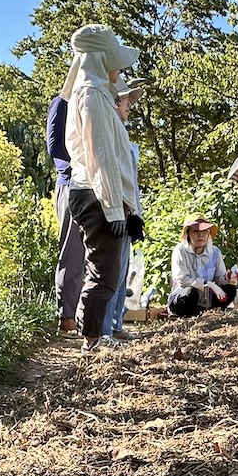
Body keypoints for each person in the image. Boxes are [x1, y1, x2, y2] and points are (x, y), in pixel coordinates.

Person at [61, 24, 143, 354]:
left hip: (101, 195)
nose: (120, 68)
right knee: (104, 275)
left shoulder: (99, 93)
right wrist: (112, 209)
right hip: (94, 195)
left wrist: (130, 210)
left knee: (108, 273)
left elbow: (117, 161)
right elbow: (102, 157)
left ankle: (94, 337)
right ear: (99, 58)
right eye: (116, 60)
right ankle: (91, 341)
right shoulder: (91, 95)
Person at [102, 79, 146, 342]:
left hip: (128, 210)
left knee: (123, 271)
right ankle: (105, 329)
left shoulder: (124, 134)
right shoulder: (110, 132)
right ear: (116, 102)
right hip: (116, 210)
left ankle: (115, 323)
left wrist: (135, 213)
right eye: (127, 101)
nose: (130, 106)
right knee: (112, 271)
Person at [45, 93, 83, 336]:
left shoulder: (89, 102)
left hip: (90, 185)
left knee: (90, 256)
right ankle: (66, 318)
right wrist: (80, 161)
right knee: (72, 253)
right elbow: (54, 146)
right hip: (70, 184)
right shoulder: (62, 103)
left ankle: (84, 316)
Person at [168, 214, 238, 317]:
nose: (200, 235)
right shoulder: (180, 251)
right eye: (195, 231)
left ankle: (214, 313)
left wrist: (228, 277)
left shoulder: (215, 252)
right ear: (188, 234)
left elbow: (219, 278)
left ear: (208, 234)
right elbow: (182, 280)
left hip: (206, 300)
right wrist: (208, 284)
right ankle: (188, 316)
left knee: (230, 289)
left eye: (204, 231)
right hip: (182, 299)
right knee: (190, 292)